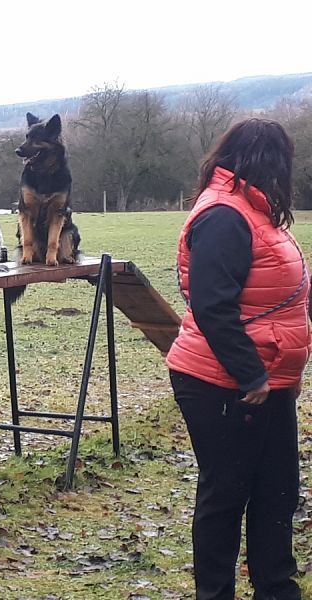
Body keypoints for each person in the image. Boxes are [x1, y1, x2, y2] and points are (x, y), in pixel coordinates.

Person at [166, 118, 310, 600]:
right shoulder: (225, 216)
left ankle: (276, 588)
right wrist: (252, 374)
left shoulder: (255, 211)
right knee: (226, 495)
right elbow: (211, 305)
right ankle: (216, 593)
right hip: (223, 381)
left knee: (277, 491)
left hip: (269, 379)